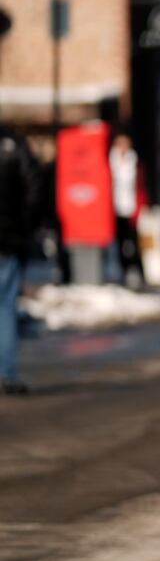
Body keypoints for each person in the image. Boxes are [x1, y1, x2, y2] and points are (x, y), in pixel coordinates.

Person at [0, 125, 40, 395]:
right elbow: (33, 190)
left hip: (11, 238)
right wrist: (25, 229)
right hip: (9, 240)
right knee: (5, 307)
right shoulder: (15, 144)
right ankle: (7, 373)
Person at [108, 131, 143, 287]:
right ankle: (123, 271)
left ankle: (138, 271)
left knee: (135, 242)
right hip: (115, 208)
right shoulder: (110, 162)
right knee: (120, 243)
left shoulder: (134, 162)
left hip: (132, 208)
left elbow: (141, 186)